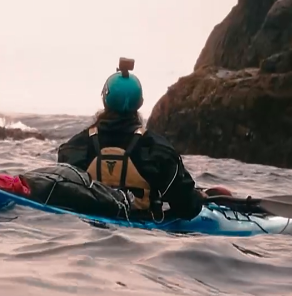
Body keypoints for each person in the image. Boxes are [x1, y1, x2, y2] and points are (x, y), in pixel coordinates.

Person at [54, 58, 218, 221]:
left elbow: (63, 193)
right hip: (143, 230)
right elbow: (187, 208)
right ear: (139, 103)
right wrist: (197, 197)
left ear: (105, 100)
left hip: (88, 226)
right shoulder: (159, 151)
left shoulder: (74, 147)